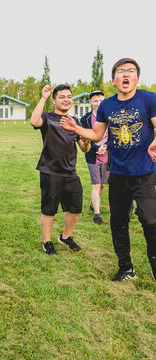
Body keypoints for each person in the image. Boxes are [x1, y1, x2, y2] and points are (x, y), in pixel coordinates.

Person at [61, 58, 156, 282]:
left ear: (137, 78)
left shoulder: (149, 99)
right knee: (118, 222)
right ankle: (126, 268)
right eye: (121, 72)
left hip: (145, 172)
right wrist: (76, 128)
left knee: (151, 221)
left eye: (131, 71)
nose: (126, 75)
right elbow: (96, 134)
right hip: (119, 173)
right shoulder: (107, 105)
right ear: (113, 81)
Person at [30, 84, 90, 255]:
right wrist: (43, 97)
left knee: (75, 208)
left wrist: (85, 142)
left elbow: (84, 148)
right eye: (62, 97)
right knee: (49, 209)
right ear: (55, 100)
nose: (66, 100)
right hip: (50, 171)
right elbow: (34, 121)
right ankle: (47, 241)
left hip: (70, 172)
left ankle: (65, 237)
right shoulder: (48, 117)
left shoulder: (75, 121)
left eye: (69, 97)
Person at [80, 90, 110, 225]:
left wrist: (106, 147)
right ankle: (97, 214)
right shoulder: (85, 119)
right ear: (91, 102)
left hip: (108, 155)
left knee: (103, 184)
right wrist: (97, 148)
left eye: (101, 100)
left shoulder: (110, 117)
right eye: (95, 101)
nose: (99, 103)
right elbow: (83, 137)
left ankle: (93, 204)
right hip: (92, 156)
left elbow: (114, 136)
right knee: (96, 185)